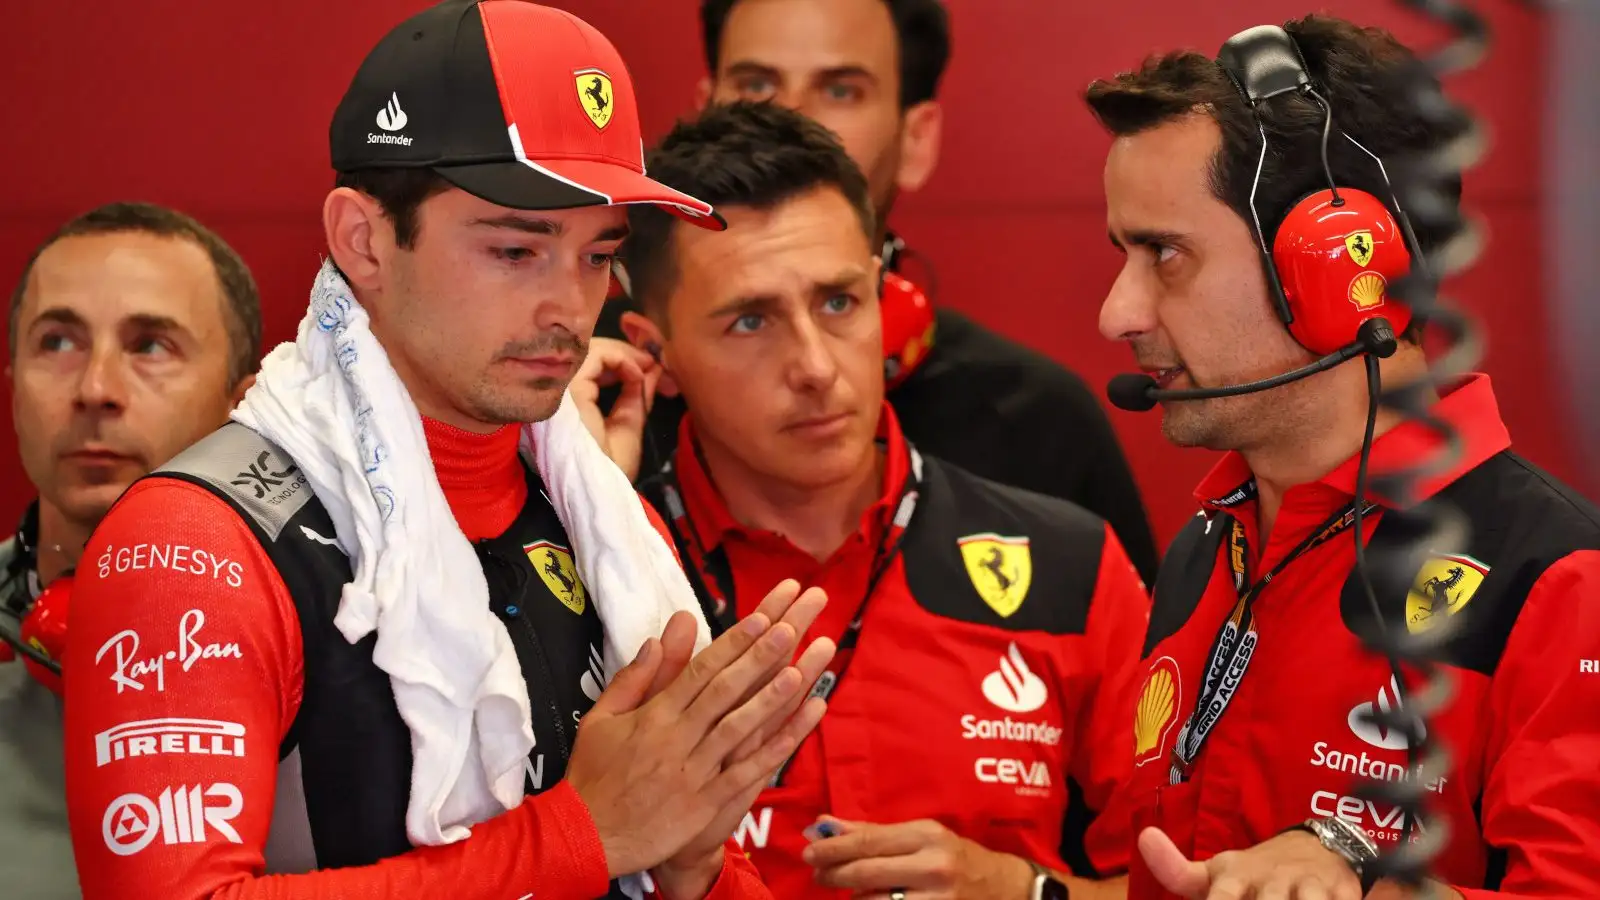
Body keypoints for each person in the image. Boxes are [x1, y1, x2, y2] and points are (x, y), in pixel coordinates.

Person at [61, 4, 835, 899]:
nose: (567, 309)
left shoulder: (603, 516)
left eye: (597, 258)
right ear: (363, 240)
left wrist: (693, 865)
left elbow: (659, 858)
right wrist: (585, 835)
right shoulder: (193, 545)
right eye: (516, 250)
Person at [1087, 14, 1600, 899]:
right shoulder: (1212, 544)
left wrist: (1367, 887)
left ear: (1334, 271)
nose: (1117, 313)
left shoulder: (1560, 579)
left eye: (1164, 254)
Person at [583, 99, 1149, 900]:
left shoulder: (1069, 563)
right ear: (654, 353)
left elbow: (1192, 881)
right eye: (751, 321)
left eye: (839, 303)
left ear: (885, 295)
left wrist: (1025, 891)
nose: (815, 365)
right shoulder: (592, 581)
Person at [595, 0, 1160, 584]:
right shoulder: (584, 407)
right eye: (756, 84)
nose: (790, 121)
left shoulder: (1040, 424)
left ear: (915, 138)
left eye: (841, 91)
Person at [0, 201, 262, 899]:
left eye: (150, 345)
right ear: (13, 387)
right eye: (57, 342)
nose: (94, 390)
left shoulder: (355, 642)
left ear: (245, 407)